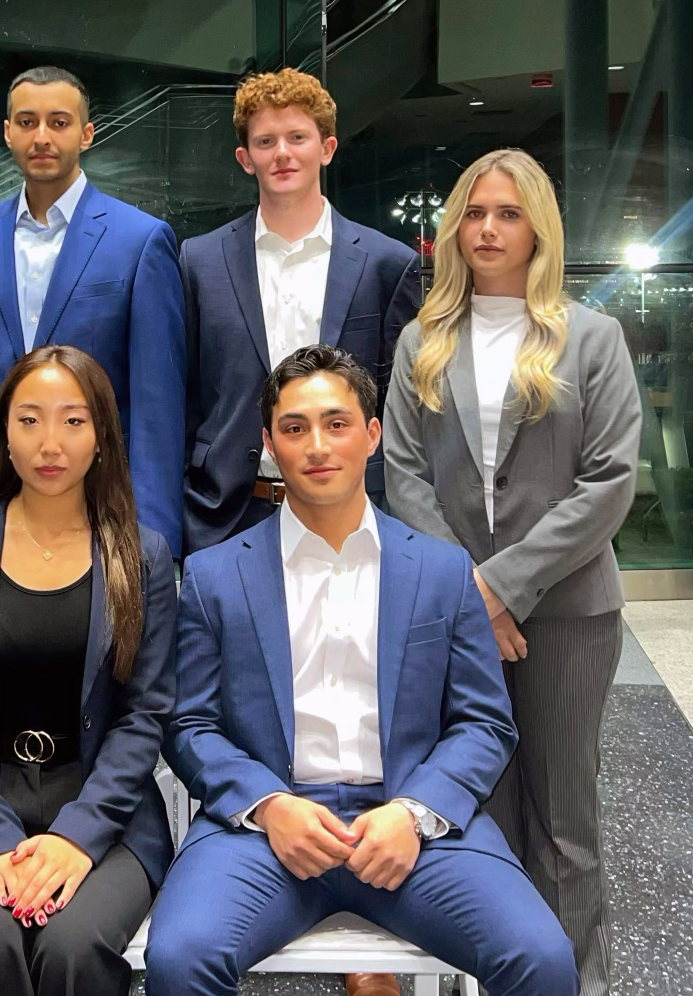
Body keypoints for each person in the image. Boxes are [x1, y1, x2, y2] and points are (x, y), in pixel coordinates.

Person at [144, 344, 577, 996]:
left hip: (415, 830)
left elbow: (485, 723)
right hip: (266, 835)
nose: (317, 445)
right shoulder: (215, 576)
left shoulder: (440, 570)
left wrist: (413, 811)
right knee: (179, 959)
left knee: (541, 959)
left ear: (372, 434)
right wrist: (268, 806)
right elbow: (189, 724)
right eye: (294, 428)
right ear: (268, 443)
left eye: (336, 424)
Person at [381, 148, 642, 996]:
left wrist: (503, 586)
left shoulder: (589, 336)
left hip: (568, 612)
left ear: (538, 228)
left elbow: (610, 482)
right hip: (454, 617)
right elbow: (402, 476)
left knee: (566, 821)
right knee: (478, 811)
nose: (488, 228)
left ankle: (576, 983)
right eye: (475, 212)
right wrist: (469, 595)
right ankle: (486, 976)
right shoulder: (422, 340)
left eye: (508, 213)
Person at [0, 345, 176, 996]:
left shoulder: (141, 557)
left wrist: (76, 837)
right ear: (4, 431)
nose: (49, 442)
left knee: (72, 943)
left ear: (102, 436)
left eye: (72, 421)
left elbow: (145, 718)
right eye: (29, 420)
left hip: (105, 815)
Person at [0, 66, 186, 557]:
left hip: (101, 502)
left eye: (58, 122)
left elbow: (156, 404)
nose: (42, 136)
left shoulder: (140, 240)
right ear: (7, 131)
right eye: (27, 121)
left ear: (86, 133)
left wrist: (153, 540)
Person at [182, 68, 420, 556]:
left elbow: (402, 405)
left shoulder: (387, 265)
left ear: (327, 148)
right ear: (245, 159)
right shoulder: (199, 261)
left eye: (297, 137)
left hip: (355, 512)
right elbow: (184, 394)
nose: (283, 153)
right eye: (266, 141)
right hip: (229, 514)